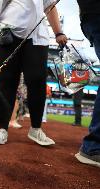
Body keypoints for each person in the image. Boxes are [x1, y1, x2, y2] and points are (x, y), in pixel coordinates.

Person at [0, 0, 67, 145]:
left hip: (36, 37)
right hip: (5, 35)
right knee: (7, 82)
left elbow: (50, 5)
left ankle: (36, 129)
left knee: (37, 80)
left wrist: (58, 32)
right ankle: (3, 129)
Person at [75, 0, 100, 168]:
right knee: (77, 104)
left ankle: (94, 145)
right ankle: (93, 146)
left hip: (92, 13)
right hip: (95, 11)